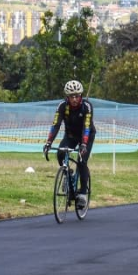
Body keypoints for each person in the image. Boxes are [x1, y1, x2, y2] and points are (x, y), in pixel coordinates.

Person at [43, 79, 96, 207]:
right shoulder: (62, 106)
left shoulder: (87, 106)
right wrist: (48, 142)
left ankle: (83, 193)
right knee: (60, 154)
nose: (74, 99)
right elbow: (55, 124)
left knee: (82, 161)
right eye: (71, 96)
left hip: (86, 135)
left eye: (77, 96)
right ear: (67, 97)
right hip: (71, 135)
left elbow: (87, 127)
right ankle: (67, 173)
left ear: (81, 96)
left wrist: (83, 144)